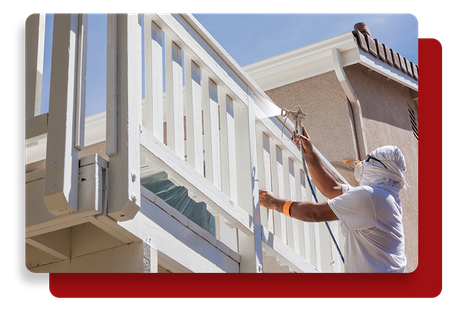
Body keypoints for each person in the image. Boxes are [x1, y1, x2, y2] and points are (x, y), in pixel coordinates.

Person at [259, 125, 409, 273]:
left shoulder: (372, 197)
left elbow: (315, 213)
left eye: (369, 158)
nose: (364, 162)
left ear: (378, 167)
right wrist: (309, 153)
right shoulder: (382, 196)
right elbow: (331, 188)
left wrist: (275, 204)